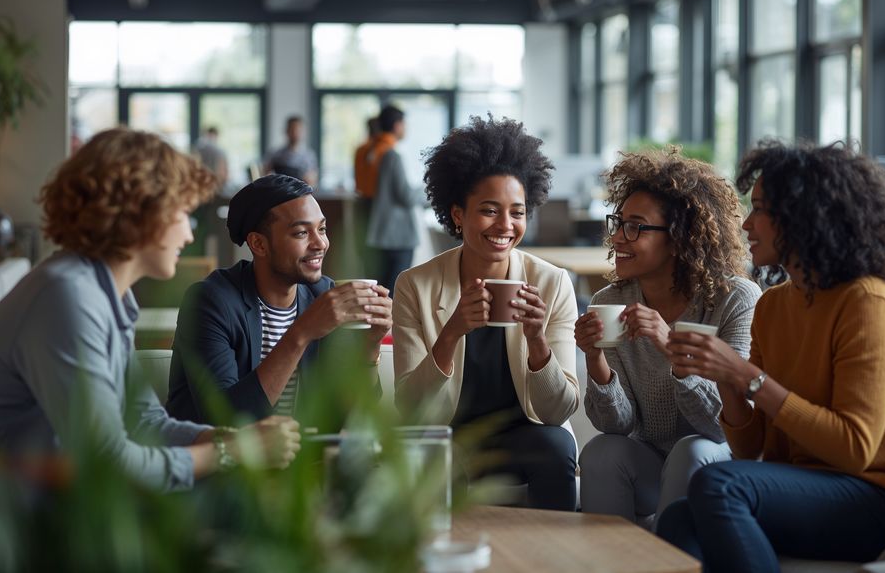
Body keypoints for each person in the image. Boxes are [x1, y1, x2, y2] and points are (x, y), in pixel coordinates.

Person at [0, 128, 300, 493]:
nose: (188, 235)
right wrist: (231, 453)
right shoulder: (68, 296)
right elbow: (107, 464)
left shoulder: (108, 295)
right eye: (182, 214)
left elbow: (144, 421)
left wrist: (232, 439)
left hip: (32, 505)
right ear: (141, 212)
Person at [656, 141, 885, 572]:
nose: (746, 223)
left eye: (760, 209)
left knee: (717, 485)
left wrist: (746, 375)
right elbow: (750, 448)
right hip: (812, 487)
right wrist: (724, 377)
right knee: (680, 518)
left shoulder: (868, 304)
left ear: (806, 217)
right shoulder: (774, 306)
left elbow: (855, 449)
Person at [392, 115, 580, 511]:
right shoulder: (415, 285)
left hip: (525, 433)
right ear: (458, 214)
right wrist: (451, 332)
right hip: (448, 435)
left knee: (557, 447)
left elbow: (559, 410)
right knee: (430, 458)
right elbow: (410, 408)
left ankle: (558, 547)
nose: (505, 225)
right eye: (490, 210)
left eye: (517, 212)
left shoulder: (551, 283)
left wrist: (537, 342)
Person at [575, 148, 759, 527]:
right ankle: (605, 555)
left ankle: (672, 552)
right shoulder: (610, 301)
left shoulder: (736, 300)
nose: (618, 238)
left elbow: (720, 426)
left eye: (636, 227)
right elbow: (616, 425)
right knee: (601, 452)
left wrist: (671, 347)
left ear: (677, 238)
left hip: (716, 462)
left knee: (691, 451)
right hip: (648, 460)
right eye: (618, 223)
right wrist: (594, 359)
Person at [166, 174, 392, 425]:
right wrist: (302, 332)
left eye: (322, 229)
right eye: (301, 233)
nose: (320, 243)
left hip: (303, 449)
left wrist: (370, 346)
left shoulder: (323, 295)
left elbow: (351, 413)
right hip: (218, 450)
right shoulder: (210, 301)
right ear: (258, 244)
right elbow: (226, 420)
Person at [366, 104, 423, 294]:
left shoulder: (369, 151)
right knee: (394, 290)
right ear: (397, 125)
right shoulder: (392, 155)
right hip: (398, 236)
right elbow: (406, 195)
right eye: (404, 124)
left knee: (382, 286)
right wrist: (430, 191)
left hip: (379, 232)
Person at [264, 115, 319, 187]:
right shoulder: (275, 154)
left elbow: (312, 181)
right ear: (286, 131)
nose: (295, 133)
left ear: (303, 132)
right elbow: (265, 175)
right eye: (292, 129)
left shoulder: (309, 156)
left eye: (298, 130)